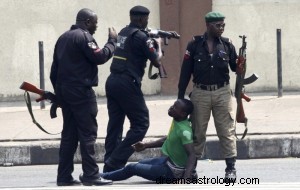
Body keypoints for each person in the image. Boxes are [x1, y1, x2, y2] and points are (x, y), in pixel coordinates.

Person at [50, 8, 117, 186]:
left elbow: (54, 71)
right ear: (87, 22)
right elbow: (100, 57)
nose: (96, 26)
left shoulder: (63, 38)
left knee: (69, 136)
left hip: (65, 92)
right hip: (81, 92)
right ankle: (91, 175)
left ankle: (63, 177)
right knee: (87, 134)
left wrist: (59, 96)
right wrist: (112, 41)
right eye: (95, 22)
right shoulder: (84, 37)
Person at [177, 11, 238, 180]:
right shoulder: (194, 45)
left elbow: (235, 68)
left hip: (222, 93)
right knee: (197, 133)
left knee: (226, 131)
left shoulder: (227, 45)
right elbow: (185, 73)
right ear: (208, 26)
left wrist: (241, 65)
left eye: (223, 25)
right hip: (200, 93)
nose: (222, 28)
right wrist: (180, 96)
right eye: (218, 25)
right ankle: (193, 168)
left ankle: (230, 169)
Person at [103, 5, 164, 172]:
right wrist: (158, 45)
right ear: (140, 19)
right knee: (141, 124)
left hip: (113, 81)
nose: (146, 22)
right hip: (127, 83)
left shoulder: (124, 32)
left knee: (115, 125)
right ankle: (114, 161)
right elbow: (157, 61)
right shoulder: (141, 37)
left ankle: (109, 163)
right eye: (146, 19)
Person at [101, 99, 196, 182]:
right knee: (141, 163)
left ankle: (102, 176)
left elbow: (192, 155)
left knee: (132, 168)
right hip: (167, 161)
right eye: (173, 105)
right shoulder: (177, 120)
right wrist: (146, 145)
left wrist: (185, 179)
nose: (171, 108)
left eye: (175, 108)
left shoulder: (185, 131)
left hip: (173, 171)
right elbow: (168, 139)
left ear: (183, 114)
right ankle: (104, 175)